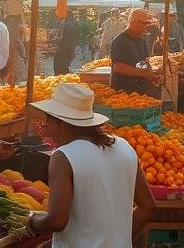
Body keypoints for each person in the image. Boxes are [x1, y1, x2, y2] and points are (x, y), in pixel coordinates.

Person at [27, 83, 156, 246]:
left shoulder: (63, 157)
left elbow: (57, 221)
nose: (48, 130)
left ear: (62, 123)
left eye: (48, 122)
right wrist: (117, 240)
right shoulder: (124, 146)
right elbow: (148, 206)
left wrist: (31, 220)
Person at [110, 10, 162, 99]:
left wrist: (153, 77)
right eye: (143, 23)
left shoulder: (142, 39)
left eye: (147, 23)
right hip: (125, 91)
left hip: (141, 89)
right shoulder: (120, 40)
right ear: (132, 21)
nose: (146, 26)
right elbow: (119, 68)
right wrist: (144, 74)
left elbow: (144, 62)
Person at [54, 9, 78, 75]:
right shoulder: (73, 23)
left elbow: (65, 37)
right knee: (64, 66)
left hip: (64, 49)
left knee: (61, 67)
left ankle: (61, 79)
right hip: (68, 48)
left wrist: (57, 41)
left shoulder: (68, 24)